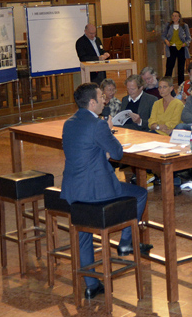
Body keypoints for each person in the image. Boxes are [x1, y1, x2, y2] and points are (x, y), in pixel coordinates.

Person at [61, 83, 151, 299]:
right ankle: (126, 241)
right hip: (96, 190)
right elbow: (118, 153)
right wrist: (109, 130)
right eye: (101, 96)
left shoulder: (69, 123)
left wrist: (102, 152)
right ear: (92, 102)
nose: (105, 100)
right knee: (140, 194)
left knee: (84, 235)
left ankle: (91, 285)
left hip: (74, 191)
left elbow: (85, 150)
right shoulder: (98, 125)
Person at [162, 10, 191, 86]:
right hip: (171, 48)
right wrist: (166, 41)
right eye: (173, 16)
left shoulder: (184, 26)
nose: (174, 17)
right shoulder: (168, 25)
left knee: (181, 69)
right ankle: (166, 85)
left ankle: (181, 86)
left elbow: (189, 38)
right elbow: (163, 35)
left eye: (175, 16)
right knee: (169, 68)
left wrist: (185, 44)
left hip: (181, 48)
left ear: (179, 17)